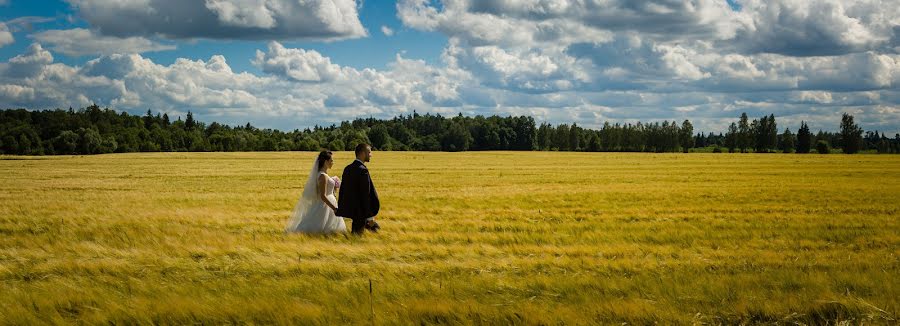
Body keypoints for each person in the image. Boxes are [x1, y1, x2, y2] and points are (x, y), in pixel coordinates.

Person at [285, 150, 347, 234]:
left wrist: (335, 184)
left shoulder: (324, 175)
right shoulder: (322, 176)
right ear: (326, 162)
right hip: (326, 204)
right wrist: (334, 208)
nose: (333, 162)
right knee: (320, 226)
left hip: (330, 201)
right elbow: (323, 195)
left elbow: (329, 190)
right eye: (331, 160)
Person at [336, 143, 381, 235]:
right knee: (360, 236)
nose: (371, 155)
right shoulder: (362, 170)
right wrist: (369, 217)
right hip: (362, 212)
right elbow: (366, 194)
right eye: (369, 152)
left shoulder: (347, 169)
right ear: (363, 153)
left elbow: (343, 190)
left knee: (356, 236)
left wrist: (342, 208)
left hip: (352, 211)